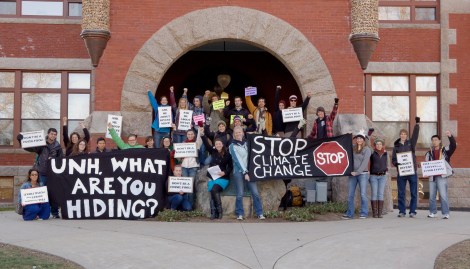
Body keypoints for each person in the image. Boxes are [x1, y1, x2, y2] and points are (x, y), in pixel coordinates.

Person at [17, 128, 63, 218]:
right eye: (52, 134)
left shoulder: (58, 146)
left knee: (53, 193)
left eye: (55, 134)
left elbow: (61, 159)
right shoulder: (41, 144)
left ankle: (55, 213)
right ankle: (38, 213)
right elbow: (30, 148)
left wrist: (54, 160)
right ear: (48, 134)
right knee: (39, 194)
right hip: (41, 173)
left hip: (53, 174)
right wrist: (20, 140)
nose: (53, 135)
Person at [229, 126, 265, 220]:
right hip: (239, 171)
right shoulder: (232, 146)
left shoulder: (248, 143)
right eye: (236, 133)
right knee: (240, 193)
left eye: (239, 132)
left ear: (243, 133)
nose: (238, 134)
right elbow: (237, 160)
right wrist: (245, 172)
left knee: (255, 192)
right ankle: (240, 213)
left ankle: (259, 213)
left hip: (250, 171)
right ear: (234, 134)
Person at [200, 127, 232, 220]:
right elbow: (206, 144)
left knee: (214, 190)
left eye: (219, 144)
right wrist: (202, 135)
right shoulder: (212, 151)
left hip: (222, 178)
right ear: (215, 145)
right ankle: (213, 213)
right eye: (216, 144)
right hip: (212, 177)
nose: (218, 145)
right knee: (211, 193)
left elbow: (230, 167)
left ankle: (220, 212)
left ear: (222, 145)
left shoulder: (227, 155)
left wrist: (224, 172)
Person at [392, 117, 420, 218]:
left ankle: (412, 211)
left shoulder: (410, 144)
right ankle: (402, 211)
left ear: (406, 136)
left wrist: (417, 125)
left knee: (413, 193)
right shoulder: (396, 147)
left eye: (404, 134)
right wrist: (397, 164)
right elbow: (394, 159)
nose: (403, 135)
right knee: (401, 192)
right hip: (401, 173)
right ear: (399, 135)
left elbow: (415, 136)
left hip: (412, 171)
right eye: (401, 134)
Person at [425, 131, 456, 219]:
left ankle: (445, 213)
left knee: (443, 195)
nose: (434, 141)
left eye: (436, 140)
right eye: (433, 140)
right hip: (432, 177)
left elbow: (453, 146)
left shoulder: (445, 150)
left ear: (439, 141)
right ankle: (433, 212)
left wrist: (450, 137)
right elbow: (427, 165)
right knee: (431, 196)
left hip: (442, 176)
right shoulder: (428, 153)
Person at [343, 130, 371, 219]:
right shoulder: (353, 147)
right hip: (352, 174)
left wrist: (357, 172)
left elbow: (364, 163)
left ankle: (364, 212)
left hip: (363, 174)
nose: (359, 140)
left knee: (363, 194)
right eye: (357, 138)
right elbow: (344, 147)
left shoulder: (367, 149)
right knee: (350, 194)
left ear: (363, 140)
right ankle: (350, 213)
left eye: (360, 138)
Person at [369, 137, 388, 218]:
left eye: (380, 144)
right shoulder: (372, 153)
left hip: (383, 176)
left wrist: (386, 170)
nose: (379, 145)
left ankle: (380, 213)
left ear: (382, 145)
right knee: (374, 194)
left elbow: (387, 163)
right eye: (377, 144)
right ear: (375, 145)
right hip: (374, 176)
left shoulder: (385, 153)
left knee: (380, 194)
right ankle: (374, 213)